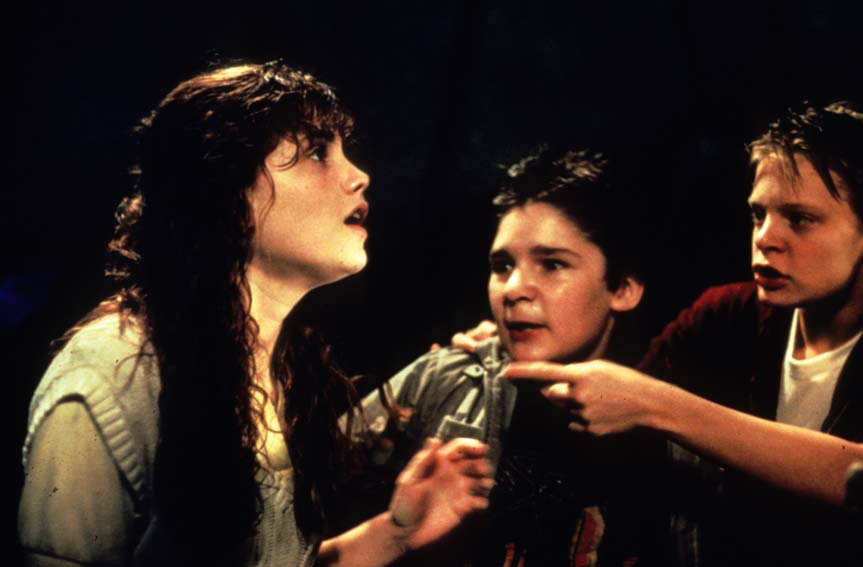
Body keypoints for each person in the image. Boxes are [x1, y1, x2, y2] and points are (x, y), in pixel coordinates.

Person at [17, 60, 493, 567]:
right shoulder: (110, 375)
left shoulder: (280, 371)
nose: (359, 176)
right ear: (226, 190)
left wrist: (395, 533)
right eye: (317, 152)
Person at [501, 102, 863, 565]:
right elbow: (612, 412)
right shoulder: (727, 315)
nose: (765, 237)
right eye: (758, 214)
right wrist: (515, 343)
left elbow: (852, 475)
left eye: (800, 219)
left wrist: (656, 404)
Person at [355, 148, 658, 566]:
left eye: (552, 264)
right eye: (502, 266)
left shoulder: (668, 427)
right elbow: (284, 496)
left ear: (623, 289)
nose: (514, 288)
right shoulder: (444, 378)